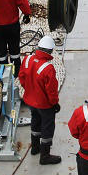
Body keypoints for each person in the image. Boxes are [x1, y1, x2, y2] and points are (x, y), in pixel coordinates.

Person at [18, 35, 61, 165]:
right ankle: (45, 156)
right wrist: (54, 103)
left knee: (35, 122)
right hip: (44, 104)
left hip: (30, 101)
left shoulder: (27, 59)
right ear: (50, 51)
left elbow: (22, 78)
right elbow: (51, 90)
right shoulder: (48, 68)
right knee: (47, 127)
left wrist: (30, 91)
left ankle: (35, 148)